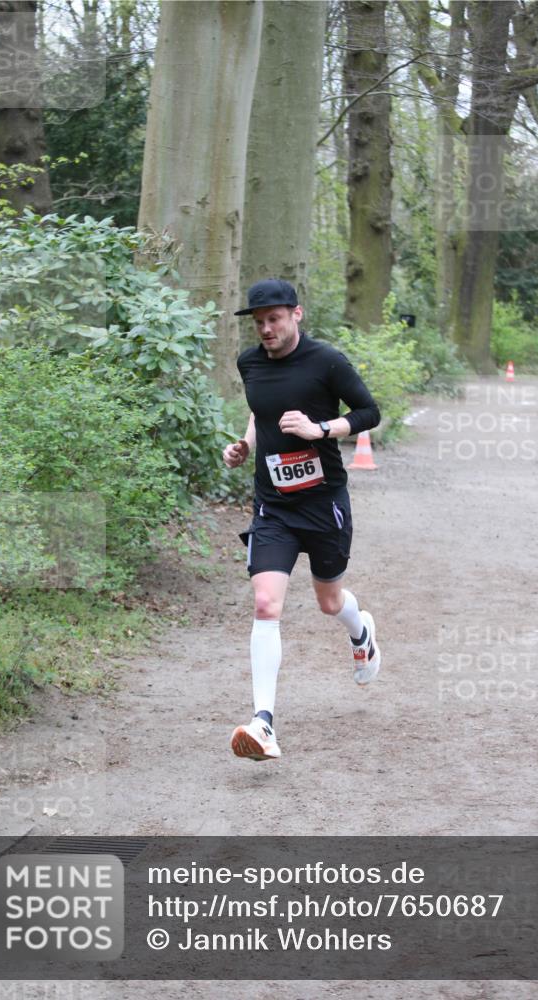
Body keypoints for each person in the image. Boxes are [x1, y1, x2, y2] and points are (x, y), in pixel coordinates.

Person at [223, 278, 381, 762]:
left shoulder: (326, 361)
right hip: (273, 504)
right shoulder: (249, 363)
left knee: (329, 602)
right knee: (266, 603)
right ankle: (263, 723)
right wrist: (247, 443)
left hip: (323, 502)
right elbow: (259, 413)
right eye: (259, 323)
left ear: (297, 314)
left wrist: (320, 429)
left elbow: (369, 412)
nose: (266, 330)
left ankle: (362, 634)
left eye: (274, 319)